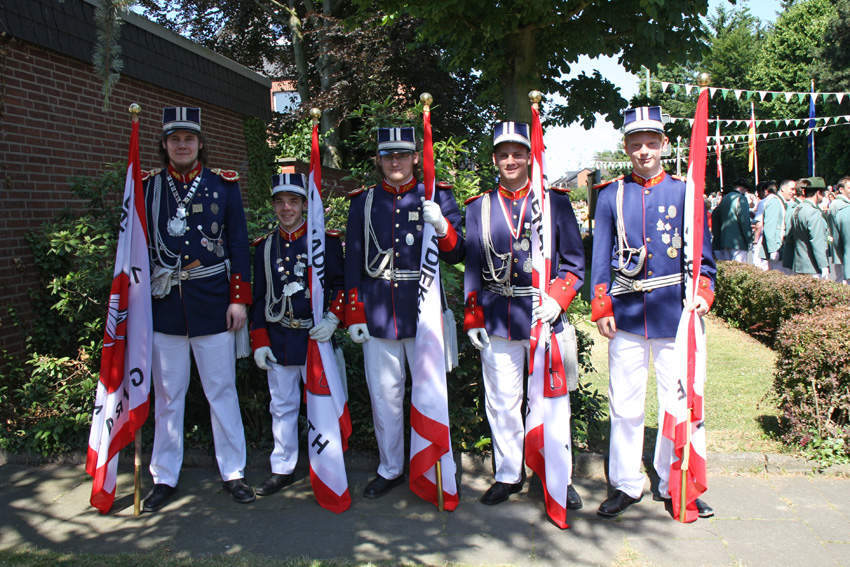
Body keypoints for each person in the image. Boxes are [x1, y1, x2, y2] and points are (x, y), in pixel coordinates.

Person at [590, 106, 716, 519]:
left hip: (672, 316)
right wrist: (602, 303)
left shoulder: (684, 192)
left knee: (674, 405)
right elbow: (601, 255)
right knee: (625, 407)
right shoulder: (611, 194)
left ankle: (673, 481)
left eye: (650, 142)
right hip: (626, 314)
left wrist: (702, 292)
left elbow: (704, 258)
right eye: (634, 143)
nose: (643, 151)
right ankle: (626, 483)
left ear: (664, 144)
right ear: (625, 147)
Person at [463, 122, 585, 507]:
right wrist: (473, 317)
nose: (510, 160)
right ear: (494, 159)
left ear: (530, 157)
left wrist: (559, 298)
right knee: (501, 401)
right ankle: (508, 474)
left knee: (552, 403)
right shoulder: (479, 207)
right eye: (503, 154)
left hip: (542, 316)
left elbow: (574, 262)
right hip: (499, 315)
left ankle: (558, 477)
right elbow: (471, 268)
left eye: (518, 152)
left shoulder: (554, 203)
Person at [142, 107, 254, 512]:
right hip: (165, 307)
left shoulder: (223, 185)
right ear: (165, 144)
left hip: (212, 304)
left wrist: (239, 297)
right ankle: (164, 476)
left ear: (200, 143)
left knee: (221, 392)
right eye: (175, 140)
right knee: (168, 396)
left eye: (189, 139)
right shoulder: (147, 187)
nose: (183, 145)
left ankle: (234, 472)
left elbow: (238, 244)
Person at [344, 127, 465, 498]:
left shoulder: (436, 196)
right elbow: (352, 260)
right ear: (379, 160)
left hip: (423, 312)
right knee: (384, 398)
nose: (395, 161)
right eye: (388, 156)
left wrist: (442, 226)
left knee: (429, 395)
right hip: (379, 313)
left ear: (416, 157)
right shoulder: (363, 202)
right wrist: (354, 312)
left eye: (403, 154)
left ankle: (429, 469)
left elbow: (459, 253)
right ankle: (391, 467)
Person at [249, 174, 345, 496]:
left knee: (322, 405)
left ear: (305, 204)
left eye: (293, 201)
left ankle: (327, 464)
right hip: (279, 338)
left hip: (314, 338)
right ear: (273, 206)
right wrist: (259, 340)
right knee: (282, 405)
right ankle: (283, 468)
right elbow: (259, 298)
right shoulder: (264, 247)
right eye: (279, 202)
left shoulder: (324, 242)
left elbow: (340, 285)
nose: (286, 208)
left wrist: (333, 318)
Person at [785, 177, 830, 279]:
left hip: (799, 264)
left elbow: (791, 237)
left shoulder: (797, 208)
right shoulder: (813, 212)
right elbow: (817, 241)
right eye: (823, 194)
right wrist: (823, 265)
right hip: (813, 266)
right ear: (818, 192)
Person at [716, 179, 752, 263]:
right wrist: (749, 238)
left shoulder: (725, 198)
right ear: (745, 189)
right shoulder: (741, 198)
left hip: (725, 239)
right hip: (738, 241)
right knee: (740, 269)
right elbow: (744, 221)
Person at [755, 181, 785, 271]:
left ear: (765, 191)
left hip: (770, 242)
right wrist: (773, 249)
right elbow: (769, 227)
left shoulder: (771, 201)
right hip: (772, 243)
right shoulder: (773, 201)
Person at [827, 177, 850, 282]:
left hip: (841, 249)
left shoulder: (837, 203)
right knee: (842, 281)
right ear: (841, 189)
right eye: (849, 188)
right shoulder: (840, 205)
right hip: (841, 249)